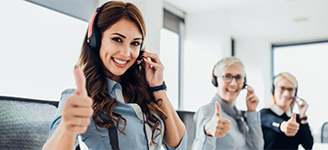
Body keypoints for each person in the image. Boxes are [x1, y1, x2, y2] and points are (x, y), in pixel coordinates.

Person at [42, 1, 187, 150]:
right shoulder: (80, 99)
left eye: (135, 43)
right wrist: (67, 128)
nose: (126, 53)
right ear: (96, 40)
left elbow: (179, 145)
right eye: (117, 39)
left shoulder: (144, 93)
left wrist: (158, 88)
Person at [192, 56, 264, 150]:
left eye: (238, 77)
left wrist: (251, 111)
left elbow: (257, 148)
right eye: (227, 76)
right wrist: (207, 133)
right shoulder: (207, 111)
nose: (233, 83)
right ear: (215, 80)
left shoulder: (238, 115)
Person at [260, 72, 313, 150]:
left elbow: (308, 146)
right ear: (273, 90)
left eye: (290, 89)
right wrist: (284, 126)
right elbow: (272, 121)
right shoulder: (264, 114)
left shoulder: (296, 118)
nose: (286, 94)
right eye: (282, 88)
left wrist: (302, 116)